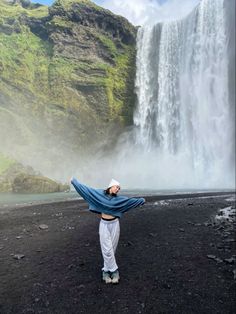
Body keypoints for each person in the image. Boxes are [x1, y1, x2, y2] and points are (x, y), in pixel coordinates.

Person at [70, 177, 145, 284]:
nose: (118, 189)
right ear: (110, 186)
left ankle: (106, 271)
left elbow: (129, 202)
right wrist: (75, 182)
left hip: (114, 224)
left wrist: (141, 201)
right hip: (104, 224)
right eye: (117, 187)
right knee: (107, 249)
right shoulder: (99, 194)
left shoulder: (118, 200)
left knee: (112, 249)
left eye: (119, 188)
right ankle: (114, 271)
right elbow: (86, 190)